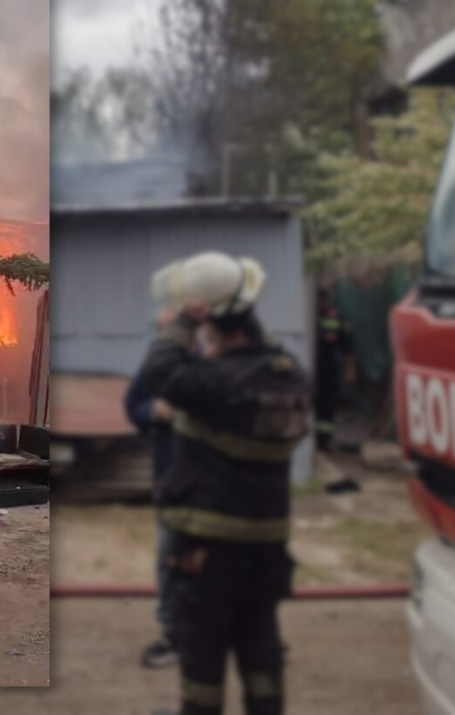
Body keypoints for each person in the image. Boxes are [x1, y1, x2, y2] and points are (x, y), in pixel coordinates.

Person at [139, 254, 312, 715]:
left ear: (209, 324)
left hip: (207, 557)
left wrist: (178, 326)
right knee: (261, 652)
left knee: (202, 670)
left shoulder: (213, 383)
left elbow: (162, 372)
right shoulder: (289, 375)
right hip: (266, 553)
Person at [125, 367, 180, 668]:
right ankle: (175, 637)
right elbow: (134, 407)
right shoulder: (159, 367)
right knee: (171, 561)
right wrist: (154, 411)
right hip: (173, 487)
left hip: (218, 488)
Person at [313, 283, 357, 453]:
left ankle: (323, 442)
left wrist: (350, 369)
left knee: (325, 405)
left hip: (326, 368)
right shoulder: (306, 313)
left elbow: (347, 346)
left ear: (324, 300)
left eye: (320, 300)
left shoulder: (334, 316)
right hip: (309, 366)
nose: (318, 303)